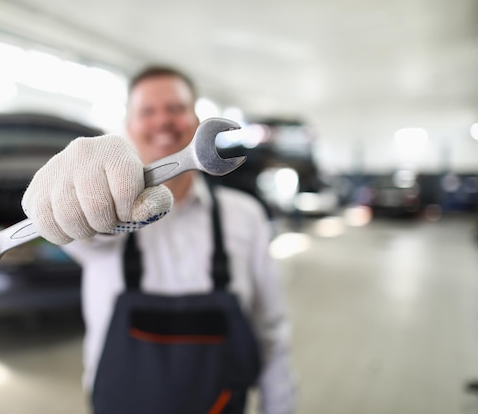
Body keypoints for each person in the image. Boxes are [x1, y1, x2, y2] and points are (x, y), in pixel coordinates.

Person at [22, 66, 295, 414]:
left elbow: (270, 330)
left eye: (176, 108)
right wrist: (70, 195)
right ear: (128, 127)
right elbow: (84, 235)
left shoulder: (245, 215)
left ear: (196, 120)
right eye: (147, 111)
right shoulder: (107, 219)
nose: (163, 121)